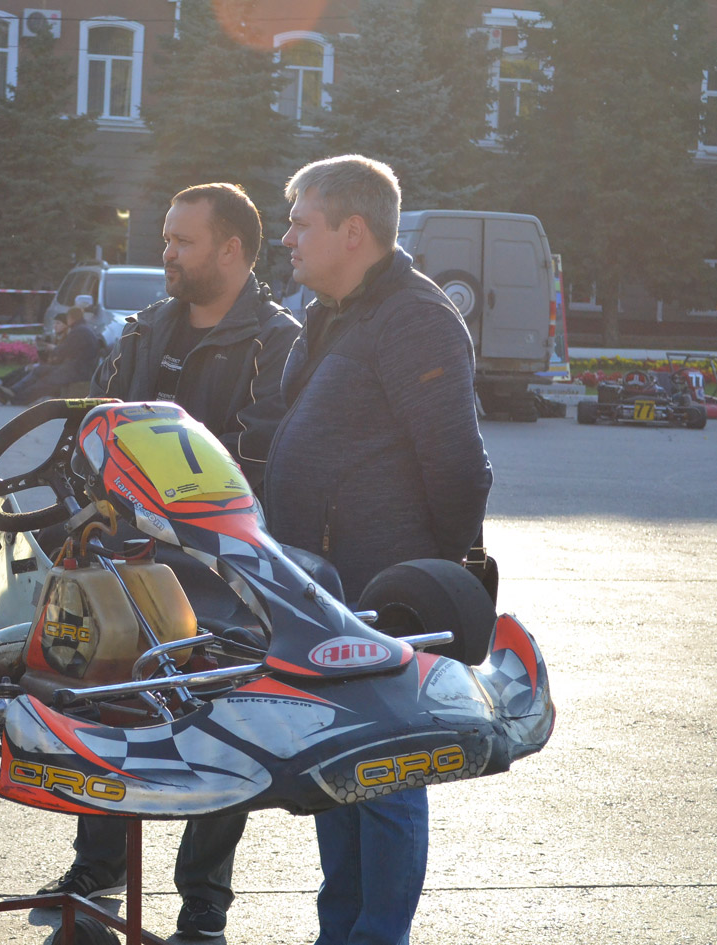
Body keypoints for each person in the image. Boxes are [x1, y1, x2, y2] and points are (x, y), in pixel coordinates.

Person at [38, 182, 301, 940]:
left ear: (232, 249)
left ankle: (203, 903)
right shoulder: (146, 328)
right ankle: (97, 866)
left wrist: (165, 491)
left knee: (219, 723)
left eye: (183, 241)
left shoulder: (277, 341)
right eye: (166, 238)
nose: (167, 254)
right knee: (103, 701)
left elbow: (257, 450)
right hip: (126, 558)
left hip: (223, 571)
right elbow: (97, 427)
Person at [265, 154, 492, 945]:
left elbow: (459, 468)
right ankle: (340, 931)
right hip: (325, 594)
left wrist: (424, 577)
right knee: (337, 769)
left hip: (383, 598)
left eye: (300, 223)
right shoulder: (332, 311)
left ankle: (373, 937)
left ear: (352, 231)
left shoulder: (415, 318)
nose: (286, 237)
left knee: (385, 774)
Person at [0, 306, 99, 405]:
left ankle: (16, 398)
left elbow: (62, 351)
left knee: (46, 381)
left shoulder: (78, 331)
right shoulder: (83, 329)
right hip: (75, 368)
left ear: (70, 318)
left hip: (76, 370)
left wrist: (52, 348)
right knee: (39, 371)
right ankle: (12, 392)